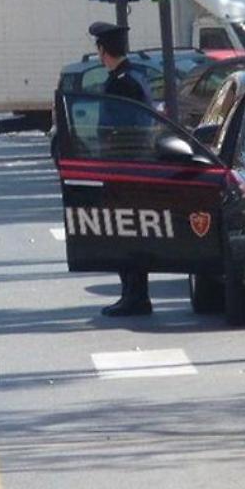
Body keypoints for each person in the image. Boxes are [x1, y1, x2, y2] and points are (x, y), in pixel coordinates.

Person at [89, 20, 154, 317]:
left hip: (125, 169)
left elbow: (126, 129)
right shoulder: (134, 76)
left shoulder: (122, 82)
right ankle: (132, 293)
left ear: (103, 50)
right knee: (126, 232)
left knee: (125, 233)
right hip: (131, 167)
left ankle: (135, 296)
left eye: (99, 49)